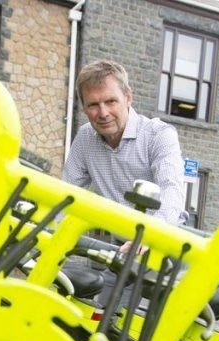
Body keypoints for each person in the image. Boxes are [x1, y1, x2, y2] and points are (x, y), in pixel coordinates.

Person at [63, 60, 189, 229]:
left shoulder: (159, 135)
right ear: (84, 108)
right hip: (115, 242)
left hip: (162, 238)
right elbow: (67, 193)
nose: (103, 113)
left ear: (128, 98)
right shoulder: (85, 138)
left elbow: (171, 190)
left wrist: (151, 233)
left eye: (111, 101)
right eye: (93, 105)